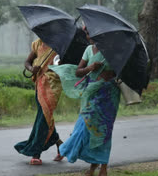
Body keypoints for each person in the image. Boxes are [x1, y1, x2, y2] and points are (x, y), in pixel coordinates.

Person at [49, 27, 120, 176]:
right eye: (87, 33)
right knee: (85, 128)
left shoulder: (112, 50)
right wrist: (90, 67)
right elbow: (78, 71)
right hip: (91, 94)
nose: (88, 36)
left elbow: (120, 71)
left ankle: (103, 167)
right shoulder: (88, 49)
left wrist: (110, 74)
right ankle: (92, 166)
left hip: (108, 95)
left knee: (103, 130)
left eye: (90, 33)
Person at [14, 38, 64, 165]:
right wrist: (32, 69)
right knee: (45, 117)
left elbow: (65, 65)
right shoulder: (37, 44)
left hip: (53, 86)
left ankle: (36, 153)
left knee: (43, 117)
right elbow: (27, 62)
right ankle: (60, 144)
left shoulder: (60, 45)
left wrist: (59, 65)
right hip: (39, 84)